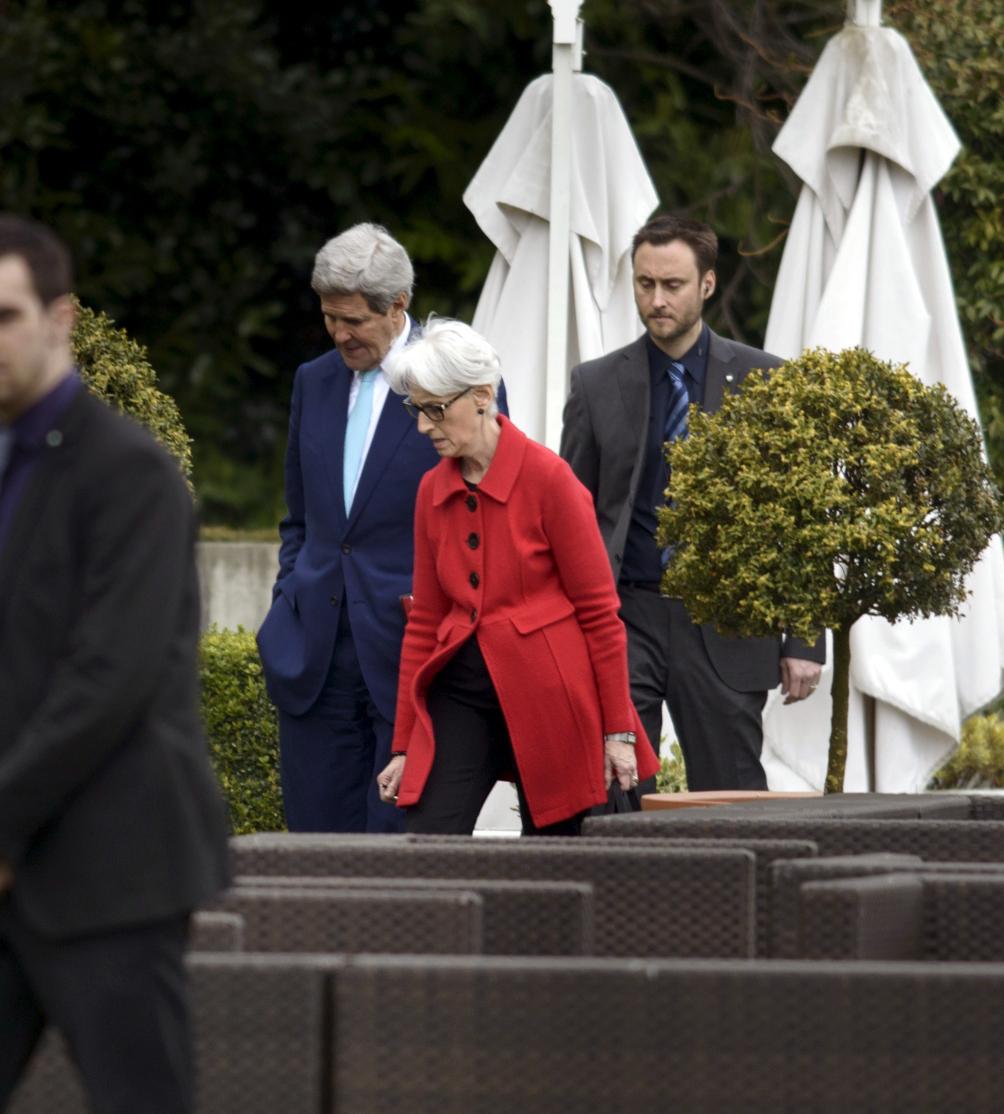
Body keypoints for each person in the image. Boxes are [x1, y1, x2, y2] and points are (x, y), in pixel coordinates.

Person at [0, 214, 230, 1114]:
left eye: (2, 316)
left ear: (61, 317)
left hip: (111, 871)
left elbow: (109, 681)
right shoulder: (1, 464)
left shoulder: (132, 473)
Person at [559, 214, 824, 792]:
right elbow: (569, 516)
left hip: (727, 620)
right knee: (614, 791)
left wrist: (803, 636)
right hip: (624, 618)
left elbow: (801, 517)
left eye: (672, 285)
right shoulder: (595, 385)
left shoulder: (768, 381)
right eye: (644, 283)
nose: (656, 300)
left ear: (707, 283)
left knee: (730, 796)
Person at [258, 223, 508, 833]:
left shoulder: (457, 383)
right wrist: (291, 596)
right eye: (329, 317)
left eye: (353, 321)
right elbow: (300, 519)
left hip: (416, 658)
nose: (339, 333)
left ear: (398, 306)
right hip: (315, 653)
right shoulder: (313, 381)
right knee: (316, 849)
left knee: (401, 855)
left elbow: (490, 516)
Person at [375, 318, 657, 835]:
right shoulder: (430, 491)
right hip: (461, 693)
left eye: (436, 409)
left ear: (482, 396)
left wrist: (617, 732)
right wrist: (404, 745)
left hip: (552, 696)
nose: (423, 426)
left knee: (556, 858)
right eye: (417, 409)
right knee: (428, 842)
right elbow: (425, 623)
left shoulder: (551, 480)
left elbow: (600, 616)